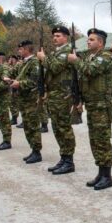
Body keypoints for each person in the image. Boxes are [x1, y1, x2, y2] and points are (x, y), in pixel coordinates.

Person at [71, 28, 112, 188]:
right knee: (94, 140)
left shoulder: (105, 57)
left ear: (101, 43)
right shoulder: (89, 57)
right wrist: (80, 99)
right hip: (92, 104)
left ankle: (107, 176)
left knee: (102, 140)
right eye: (88, 39)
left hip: (102, 105)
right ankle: (100, 172)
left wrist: (75, 61)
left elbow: (90, 71)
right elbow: (83, 81)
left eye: (92, 39)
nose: (88, 41)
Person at [37, 26, 78, 175]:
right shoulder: (56, 52)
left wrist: (43, 58)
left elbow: (54, 68)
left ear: (66, 37)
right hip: (54, 95)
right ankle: (64, 157)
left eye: (58, 35)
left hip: (63, 95)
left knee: (64, 128)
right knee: (56, 127)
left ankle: (69, 160)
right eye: (54, 36)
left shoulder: (67, 52)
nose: (55, 38)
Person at [4, 41, 43, 164]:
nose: (19, 51)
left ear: (27, 49)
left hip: (31, 99)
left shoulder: (34, 62)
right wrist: (9, 79)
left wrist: (19, 83)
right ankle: (33, 149)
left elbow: (34, 81)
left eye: (20, 49)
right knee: (27, 126)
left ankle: (37, 151)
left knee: (33, 126)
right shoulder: (23, 63)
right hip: (24, 99)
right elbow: (13, 73)